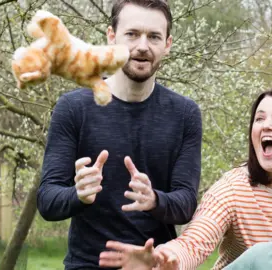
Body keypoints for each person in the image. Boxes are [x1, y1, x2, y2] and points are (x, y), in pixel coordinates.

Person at [98, 88, 272, 270]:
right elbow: (195, 242)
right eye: (259, 118)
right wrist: (164, 258)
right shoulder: (233, 188)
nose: (266, 125)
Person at [37, 0, 202, 269]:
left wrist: (154, 200)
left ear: (167, 45)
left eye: (154, 37)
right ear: (112, 37)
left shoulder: (185, 114)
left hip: (154, 265)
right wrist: (77, 194)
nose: (142, 46)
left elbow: (185, 204)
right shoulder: (73, 108)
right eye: (132, 34)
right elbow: (47, 200)